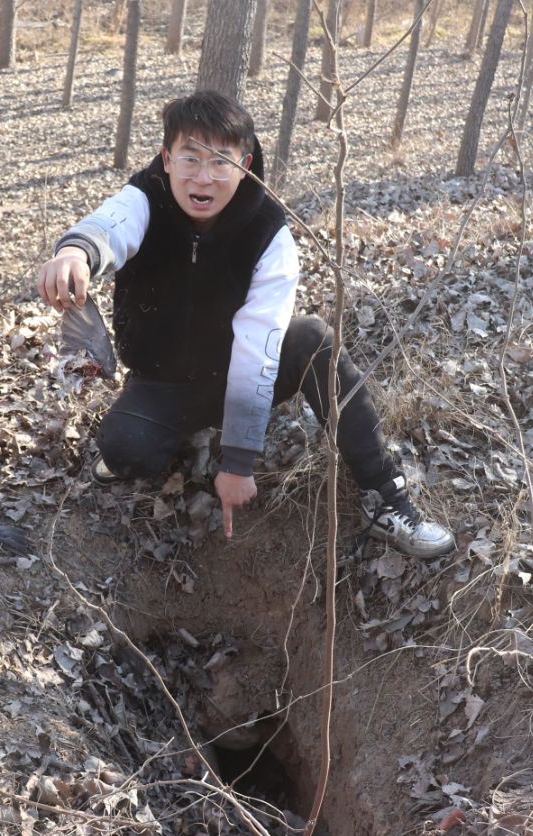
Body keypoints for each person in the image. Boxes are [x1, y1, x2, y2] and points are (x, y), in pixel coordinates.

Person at [35, 90, 453, 558]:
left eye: (220, 162)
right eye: (189, 159)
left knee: (313, 337)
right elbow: (109, 225)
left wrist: (237, 462)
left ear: (245, 163)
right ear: (166, 158)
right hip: (162, 379)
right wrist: (76, 252)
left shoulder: (268, 232)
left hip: (243, 368)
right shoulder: (145, 197)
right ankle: (179, 435)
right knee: (125, 451)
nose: (203, 177)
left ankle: (386, 497)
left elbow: (259, 348)